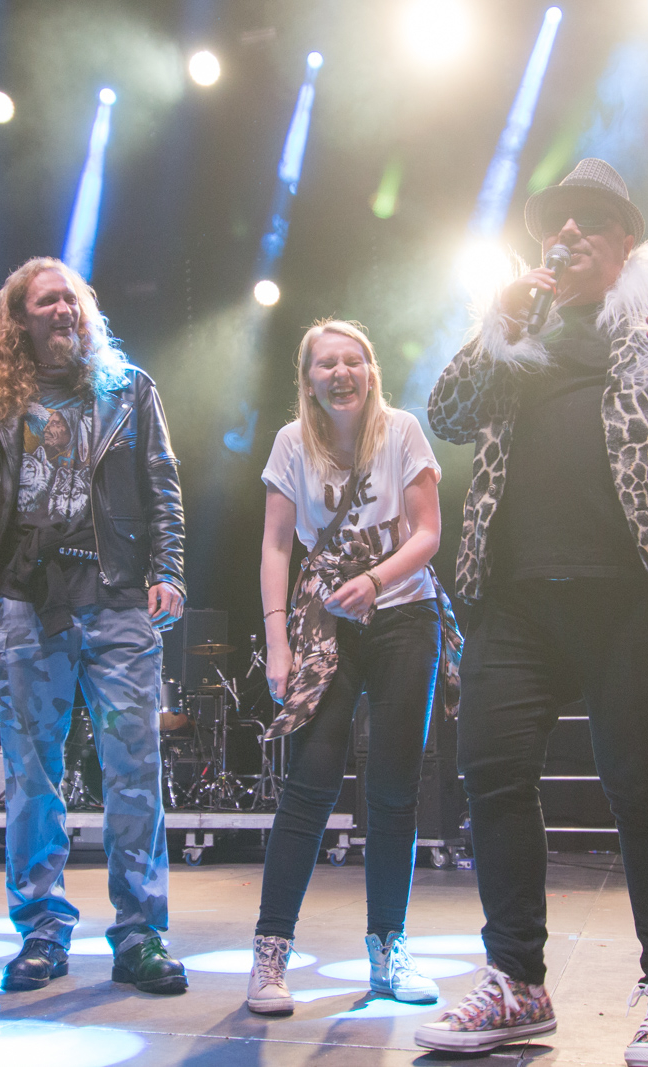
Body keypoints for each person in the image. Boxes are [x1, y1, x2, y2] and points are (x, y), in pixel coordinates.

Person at [415, 159, 648, 1065]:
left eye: (588, 220)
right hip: (515, 598)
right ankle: (516, 982)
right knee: (491, 773)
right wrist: (498, 329)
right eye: (556, 222)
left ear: (627, 240)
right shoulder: (522, 332)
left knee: (644, 786)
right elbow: (447, 412)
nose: (567, 233)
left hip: (636, 596)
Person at [0, 257, 190, 995]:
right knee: (32, 776)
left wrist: (169, 569)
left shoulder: (129, 389)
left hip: (118, 595)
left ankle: (140, 933)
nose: (64, 310)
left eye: (71, 299)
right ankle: (41, 928)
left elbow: (163, 486)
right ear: (19, 320)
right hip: (25, 601)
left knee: (134, 770)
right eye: (47, 302)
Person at [245, 320, 459, 1014]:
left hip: (404, 615)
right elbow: (277, 545)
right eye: (326, 363)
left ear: (370, 370)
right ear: (308, 379)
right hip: (327, 621)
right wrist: (278, 641)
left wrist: (374, 579)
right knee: (308, 785)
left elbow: (428, 532)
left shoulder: (401, 431)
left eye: (353, 360)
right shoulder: (291, 443)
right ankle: (270, 953)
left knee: (394, 790)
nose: (341, 372)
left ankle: (389, 950)